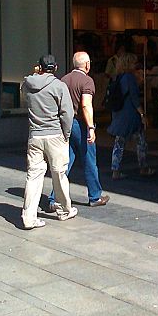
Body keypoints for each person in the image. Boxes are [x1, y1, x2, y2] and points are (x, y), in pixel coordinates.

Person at [46, 52, 109, 212]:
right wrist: (91, 128)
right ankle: (95, 196)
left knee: (66, 161)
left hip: (66, 123)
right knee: (89, 159)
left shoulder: (63, 80)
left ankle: (54, 198)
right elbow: (86, 105)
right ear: (87, 65)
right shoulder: (87, 81)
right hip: (80, 123)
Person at [20, 54, 77, 229]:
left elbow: (23, 97)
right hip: (55, 135)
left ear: (39, 66)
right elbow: (67, 113)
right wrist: (66, 134)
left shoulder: (27, 84)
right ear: (56, 68)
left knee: (34, 175)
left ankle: (29, 217)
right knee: (59, 173)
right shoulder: (59, 86)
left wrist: (34, 74)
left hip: (35, 135)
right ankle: (64, 210)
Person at [108, 52, 154, 180]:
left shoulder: (117, 77)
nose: (136, 64)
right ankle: (144, 167)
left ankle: (115, 169)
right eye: (134, 62)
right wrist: (142, 114)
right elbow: (134, 98)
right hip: (130, 114)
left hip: (118, 113)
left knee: (119, 142)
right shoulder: (130, 77)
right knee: (140, 141)